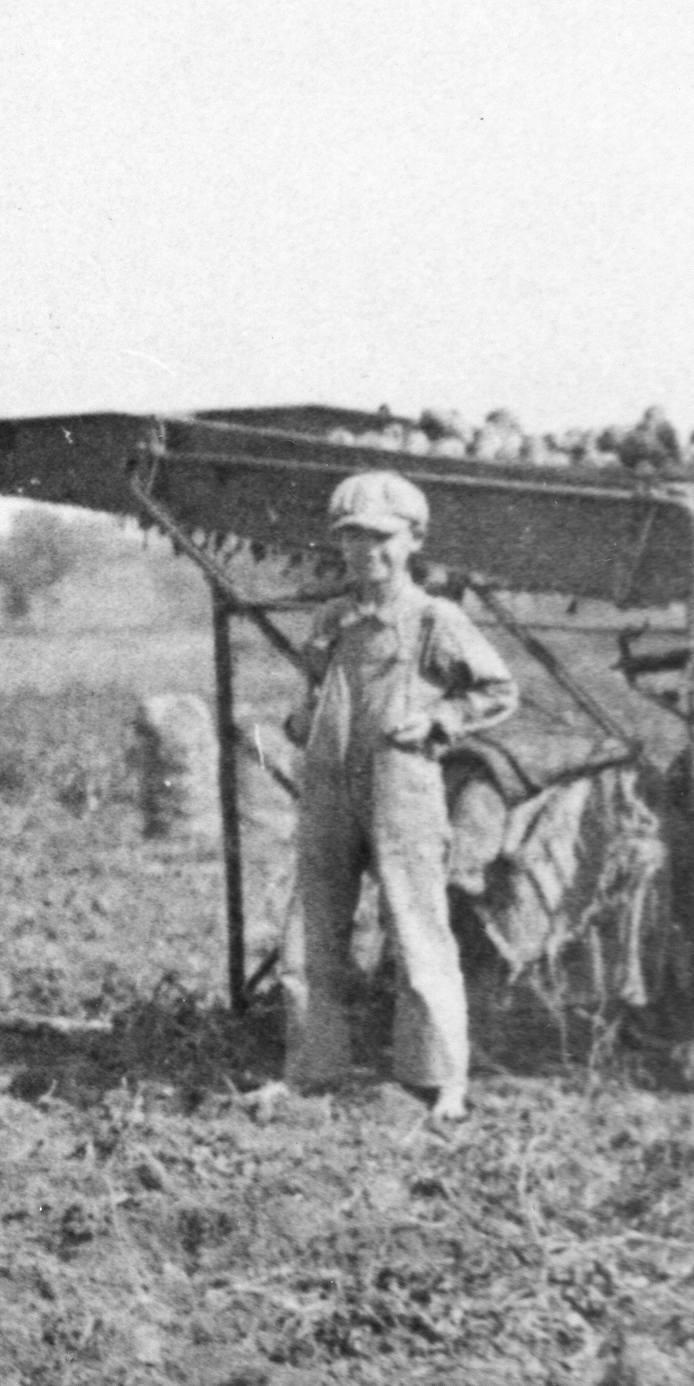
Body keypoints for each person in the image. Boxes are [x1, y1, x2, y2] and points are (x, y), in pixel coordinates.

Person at [272, 471, 518, 1121]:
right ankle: (313, 1070)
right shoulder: (331, 619)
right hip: (329, 785)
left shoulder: (435, 619)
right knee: (311, 930)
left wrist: (440, 722)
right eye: (351, 538)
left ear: (413, 541)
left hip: (401, 785)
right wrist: (301, 722)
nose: (366, 552)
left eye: (381, 538)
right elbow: (315, 693)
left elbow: (495, 688)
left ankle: (440, 1081)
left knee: (415, 927)